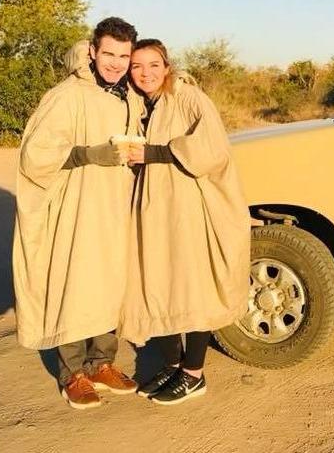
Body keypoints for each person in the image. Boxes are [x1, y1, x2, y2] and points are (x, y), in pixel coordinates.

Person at [13, 17, 142, 409]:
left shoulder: (128, 96)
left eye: (124, 55)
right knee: (76, 283)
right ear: (92, 51)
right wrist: (86, 154)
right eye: (109, 54)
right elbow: (35, 155)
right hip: (77, 208)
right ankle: (73, 373)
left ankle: (102, 363)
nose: (116, 63)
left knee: (111, 282)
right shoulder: (67, 95)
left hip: (116, 206)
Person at [119, 39, 250, 405]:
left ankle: (194, 373)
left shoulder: (189, 96)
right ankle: (174, 364)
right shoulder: (140, 102)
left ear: (167, 65)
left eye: (153, 65)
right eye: (137, 66)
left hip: (186, 207)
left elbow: (211, 148)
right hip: (153, 207)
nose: (145, 73)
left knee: (192, 284)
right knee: (160, 280)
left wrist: (154, 153)